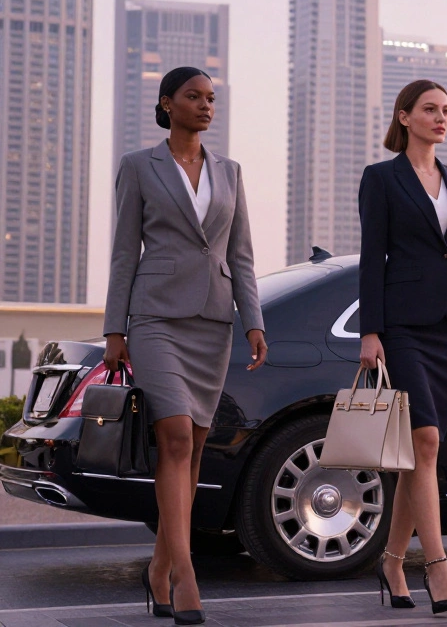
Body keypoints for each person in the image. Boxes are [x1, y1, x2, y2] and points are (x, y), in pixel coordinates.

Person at [104, 66, 267, 625]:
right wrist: (114, 330)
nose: (205, 106)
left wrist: (254, 322)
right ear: (167, 103)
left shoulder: (231, 171)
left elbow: (240, 254)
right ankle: (186, 571)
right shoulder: (138, 167)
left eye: (211, 98)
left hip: (212, 323)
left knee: (194, 450)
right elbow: (125, 251)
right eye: (194, 97)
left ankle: (159, 567)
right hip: (155, 318)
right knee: (173, 436)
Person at [359, 80, 447, 613]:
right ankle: (437, 567)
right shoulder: (381, 178)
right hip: (404, 327)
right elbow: (372, 257)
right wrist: (371, 330)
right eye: (430, 110)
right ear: (404, 116)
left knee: (419, 453)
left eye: (446, 111)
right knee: (427, 441)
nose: (441, 118)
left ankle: (391, 562)